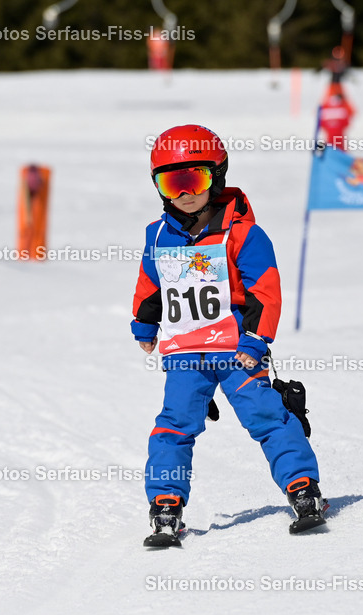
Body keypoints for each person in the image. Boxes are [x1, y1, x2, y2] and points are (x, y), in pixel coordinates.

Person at [131, 124, 327, 547]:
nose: (184, 192)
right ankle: (165, 506)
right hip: (186, 352)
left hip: (237, 347)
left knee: (267, 415)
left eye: (193, 179)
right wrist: (144, 323)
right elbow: (151, 282)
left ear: (215, 177)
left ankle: (303, 489)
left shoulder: (243, 233)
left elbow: (264, 290)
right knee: (174, 425)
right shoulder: (159, 235)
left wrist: (256, 340)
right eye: (171, 182)